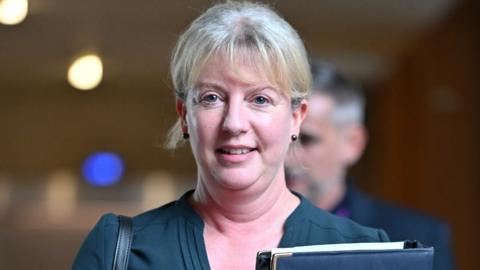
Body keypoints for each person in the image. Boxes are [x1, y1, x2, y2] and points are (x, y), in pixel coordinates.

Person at [71, 2, 389, 270]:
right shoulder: (119, 249)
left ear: (295, 118)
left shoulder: (365, 254)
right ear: (184, 115)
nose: (234, 123)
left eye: (260, 99)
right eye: (212, 97)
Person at [286, 60, 454, 270]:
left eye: (307, 139)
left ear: (353, 144)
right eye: (283, 137)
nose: (287, 157)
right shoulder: (242, 229)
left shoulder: (415, 237)